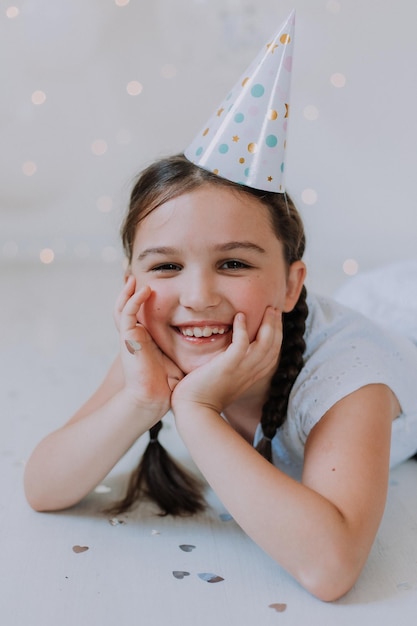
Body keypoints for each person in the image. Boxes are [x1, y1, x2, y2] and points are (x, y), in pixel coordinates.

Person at [23, 14, 417, 601]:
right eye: (164, 266)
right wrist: (140, 399)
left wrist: (199, 413)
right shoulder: (161, 344)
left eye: (233, 263)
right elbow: (43, 488)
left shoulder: (348, 377)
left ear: (290, 284)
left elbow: (331, 566)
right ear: (130, 282)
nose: (198, 296)